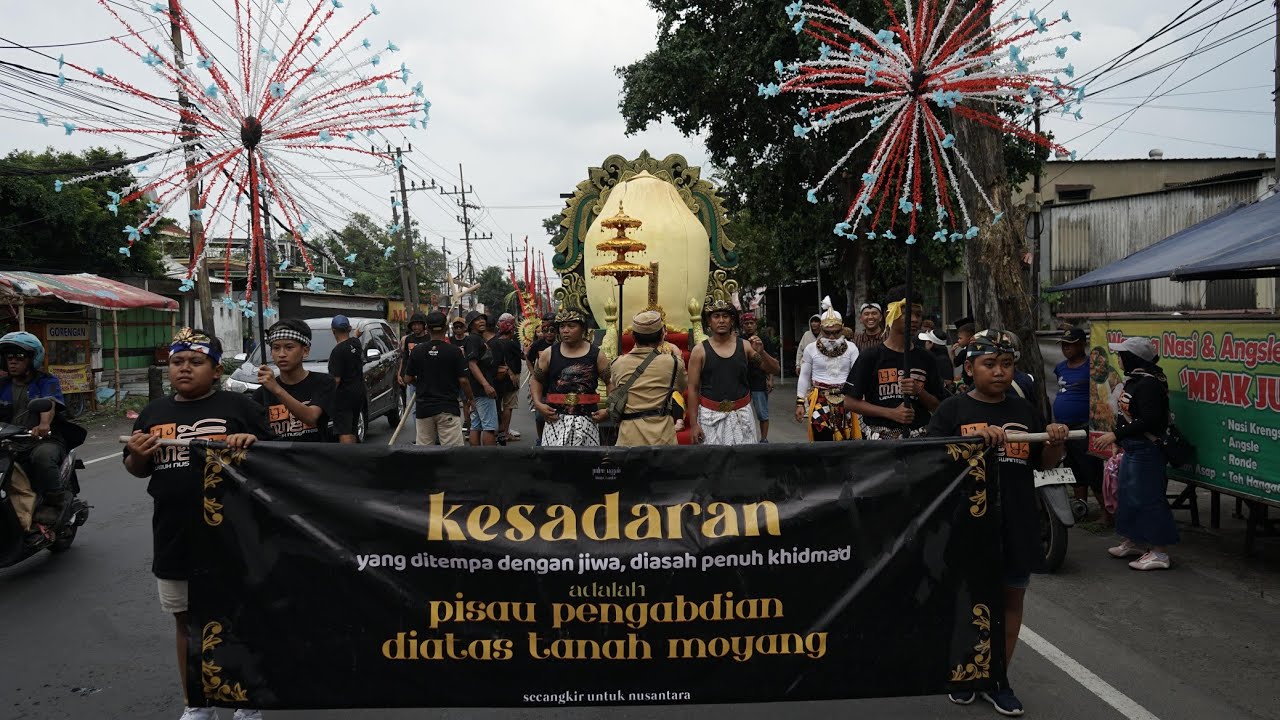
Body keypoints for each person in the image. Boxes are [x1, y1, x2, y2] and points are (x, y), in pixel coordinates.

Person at [122, 328, 269, 720]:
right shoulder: (153, 413)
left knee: (237, 617)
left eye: (195, 361)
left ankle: (245, 700)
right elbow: (137, 470)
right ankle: (196, 703)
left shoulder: (243, 408)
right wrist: (136, 454)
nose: (184, 368)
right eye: (177, 361)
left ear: (216, 369)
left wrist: (249, 445)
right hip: (174, 538)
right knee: (186, 623)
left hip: (234, 536)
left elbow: (276, 465)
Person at [929, 330, 1069, 717]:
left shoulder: (1026, 413)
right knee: (966, 602)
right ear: (970, 368)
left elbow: (1044, 464)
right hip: (966, 526)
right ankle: (964, 672)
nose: (999, 372)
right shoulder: (952, 411)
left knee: (1010, 602)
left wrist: (1055, 441)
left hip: (1017, 523)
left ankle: (996, 679)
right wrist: (975, 443)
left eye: (1006, 365)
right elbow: (929, 463)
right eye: (989, 364)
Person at [1092, 337, 1178, 571]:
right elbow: (1125, 414)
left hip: (1147, 449)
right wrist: (1119, 439)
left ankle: (1160, 553)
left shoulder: (1149, 384)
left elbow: (1150, 420)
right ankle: (1135, 541)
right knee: (1128, 495)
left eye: (1122, 355)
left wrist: (1115, 436)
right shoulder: (1134, 380)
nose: (1118, 359)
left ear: (1134, 358)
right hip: (1132, 447)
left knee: (1149, 498)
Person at [0, 331, 86, 545]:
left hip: (42, 440)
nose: (12, 361)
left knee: (43, 457)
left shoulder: (46, 381)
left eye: (19, 356)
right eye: (9, 356)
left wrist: (44, 425)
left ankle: (54, 501)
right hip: (9, 442)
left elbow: (49, 403)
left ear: (32, 358)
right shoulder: (2, 385)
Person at [843, 286, 944, 439]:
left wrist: (919, 391)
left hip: (919, 441)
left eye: (918, 314)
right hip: (880, 444)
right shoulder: (870, 356)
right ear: (889, 314)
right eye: (907, 313)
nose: (915, 319)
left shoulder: (926, 358)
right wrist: (891, 413)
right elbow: (850, 402)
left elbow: (938, 406)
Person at [688, 299, 780, 445]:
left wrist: (762, 353)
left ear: (732, 321)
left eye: (725, 316)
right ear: (709, 322)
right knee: (713, 465)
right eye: (716, 316)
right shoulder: (699, 351)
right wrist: (693, 425)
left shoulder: (745, 347)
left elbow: (774, 369)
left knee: (745, 464)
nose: (721, 320)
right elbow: (692, 389)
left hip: (741, 415)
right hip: (710, 417)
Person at [530, 309, 610, 447]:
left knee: (586, 465)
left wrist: (609, 410)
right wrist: (538, 404)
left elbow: (610, 382)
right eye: (562, 326)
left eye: (571, 326)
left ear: (583, 329)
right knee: (554, 465)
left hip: (588, 418)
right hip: (555, 418)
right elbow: (536, 379)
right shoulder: (549, 354)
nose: (565, 331)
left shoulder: (597, 355)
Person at [1054, 327, 1108, 523]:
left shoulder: (1091, 367)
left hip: (1085, 427)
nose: (1066, 349)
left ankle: (1106, 512)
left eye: (1071, 344)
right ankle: (1080, 509)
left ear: (1082, 344)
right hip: (1064, 428)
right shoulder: (1060, 367)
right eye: (1064, 345)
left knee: (1092, 470)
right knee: (1073, 469)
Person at [610, 310, 687, 446]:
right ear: (662, 335)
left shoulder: (618, 363)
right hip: (662, 438)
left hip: (629, 438)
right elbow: (680, 387)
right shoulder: (674, 363)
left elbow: (616, 389)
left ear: (633, 336)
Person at [253, 319, 334, 443]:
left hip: (314, 458)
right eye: (276, 348)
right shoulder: (261, 394)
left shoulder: (323, 382)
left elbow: (311, 417)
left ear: (305, 351)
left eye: (289, 347)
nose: (282, 354)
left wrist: (277, 390)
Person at [404, 311, 473, 446]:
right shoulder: (454, 351)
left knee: (424, 454)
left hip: (424, 408)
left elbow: (407, 379)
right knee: (452, 454)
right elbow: (463, 380)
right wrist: (471, 398)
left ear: (427, 329)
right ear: (446, 328)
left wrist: (420, 383)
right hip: (447, 408)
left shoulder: (417, 351)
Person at [795, 307, 860, 441]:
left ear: (842, 329)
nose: (831, 337)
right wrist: (800, 403)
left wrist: (861, 400)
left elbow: (858, 376)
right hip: (820, 398)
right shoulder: (810, 349)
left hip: (846, 398)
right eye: (827, 333)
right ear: (821, 329)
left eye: (836, 333)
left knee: (846, 437)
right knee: (821, 434)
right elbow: (804, 376)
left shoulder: (852, 348)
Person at [463, 309, 502, 447]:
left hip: (477, 389)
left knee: (476, 425)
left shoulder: (477, 339)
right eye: (477, 320)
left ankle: (476, 458)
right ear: (470, 325)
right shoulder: (473, 339)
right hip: (482, 390)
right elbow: (472, 364)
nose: (481, 321)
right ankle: (490, 460)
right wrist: (486, 385)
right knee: (489, 427)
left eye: (482, 319)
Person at [326, 315, 365, 443]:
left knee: (344, 430)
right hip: (358, 393)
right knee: (352, 428)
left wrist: (327, 396)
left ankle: (346, 460)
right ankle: (353, 459)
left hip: (344, 397)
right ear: (349, 328)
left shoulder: (337, 352)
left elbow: (336, 380)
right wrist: (356, 334)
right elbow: (355, 337)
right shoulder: (355, 344)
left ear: (333, 330)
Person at [740, 311, 772, 442]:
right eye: (746, 323)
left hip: (759, 380)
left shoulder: (764, 340)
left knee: (762, 413)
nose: (749, 326)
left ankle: (764, 439)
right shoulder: (740, 340)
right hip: (742, 381)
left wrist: (770, 379)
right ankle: (744, 437)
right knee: (742, 413)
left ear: (756, 324)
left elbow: (771, 360)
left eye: (751, 323)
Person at [525, 314, 556, 446]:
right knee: (539, 416)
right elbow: (528, 359)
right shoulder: (537, 345)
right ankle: (540, 439)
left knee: (555, 413)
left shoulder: (561, 345)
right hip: (541, 384)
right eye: (546, 331)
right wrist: (533, 374)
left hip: (556, 384)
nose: (549, 334)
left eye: (552, 330)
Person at [493, 312, 523, 445]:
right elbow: (523, 356)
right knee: (508, 406)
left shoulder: (495, 342)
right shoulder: (512, 344)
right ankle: (504, 433)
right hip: (511, 378)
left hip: (497, 377)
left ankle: (498, 431)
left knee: (498, 405)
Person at [397, 312, 429, 405]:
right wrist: (400, 374)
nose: (416, 327)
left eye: (418, 324)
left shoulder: (429, 339)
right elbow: (405, 358)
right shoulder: (409, 339)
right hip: (412, 379)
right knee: (414, 406)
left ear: (423, 325)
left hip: (427, 379)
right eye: (414, 325)